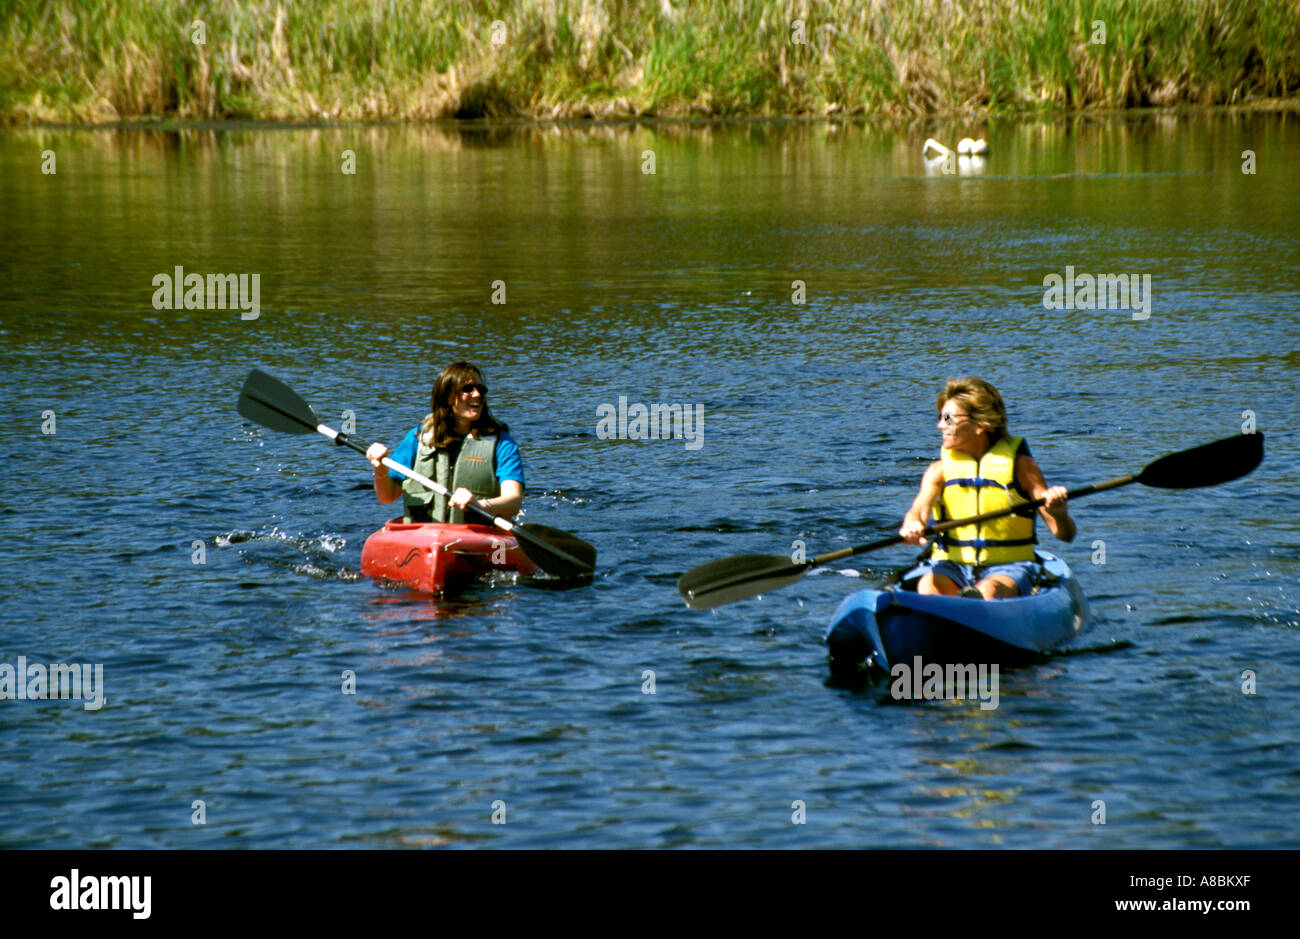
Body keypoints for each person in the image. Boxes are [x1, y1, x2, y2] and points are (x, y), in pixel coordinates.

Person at [899, 377, 1075, 599]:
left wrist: (1059, 514)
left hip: (1008, 567)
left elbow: (1065, 534)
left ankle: (972, 609)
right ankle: (946, 614)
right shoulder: (938, 471)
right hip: (951, 565)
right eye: (940, 417)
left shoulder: (1021, 467)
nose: (940, 425)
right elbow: (918, 510)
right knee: (928, 586)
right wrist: (912, 525)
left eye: (948, 418)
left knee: (989, 591)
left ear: (980, 424)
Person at [365, 362, 525, 524]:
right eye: (467, 389)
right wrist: (380, 469)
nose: (477, 394)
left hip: (477, 533)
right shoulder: (417, 438)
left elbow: (513, 501)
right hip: (424, 536)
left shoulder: (503, 443)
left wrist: (480, 505)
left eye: (481, 389)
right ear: (448, 396)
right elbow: (386, 497)